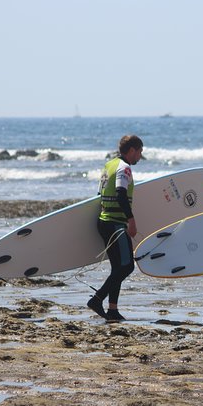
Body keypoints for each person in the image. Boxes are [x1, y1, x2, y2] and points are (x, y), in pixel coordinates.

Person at [87, 134, 143, 322]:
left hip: (105, 221)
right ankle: (96, 300)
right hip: (116, 224)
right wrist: (131, 220)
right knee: (127, 267)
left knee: (117, 268)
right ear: (132, 150)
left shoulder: (108, 166)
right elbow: (120, 194)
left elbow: (99, 193)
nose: (140, 157)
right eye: (140, 152)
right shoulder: (124, 168)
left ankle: (112, 309)